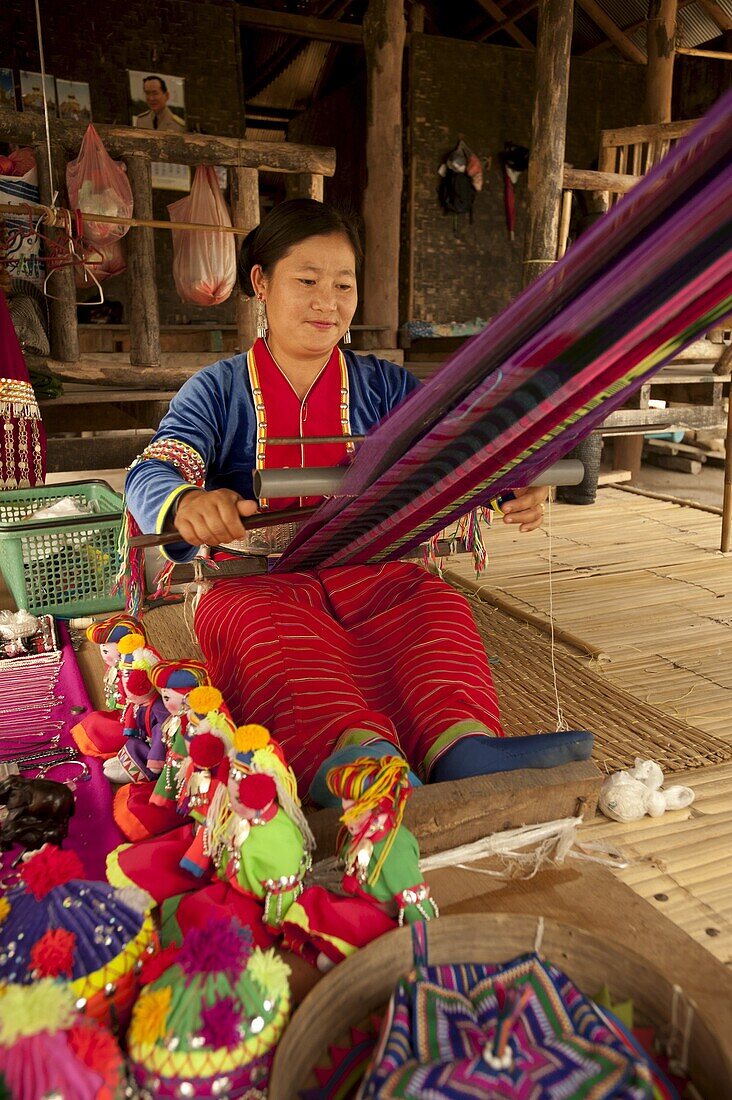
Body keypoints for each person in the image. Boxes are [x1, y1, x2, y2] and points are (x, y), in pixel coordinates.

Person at [124, 199, 592, 800]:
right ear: (262, 283)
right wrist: (186, 502)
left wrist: (509, 489)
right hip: (255, 583)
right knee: (268, 633)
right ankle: (353, 756)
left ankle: (462, 744)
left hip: (372, 568)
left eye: (343, 284)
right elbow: (159, 463)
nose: (329, 301)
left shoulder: (386, 385)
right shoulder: (216, 390)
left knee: (433, 606)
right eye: (308, 281)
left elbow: (458, 447)